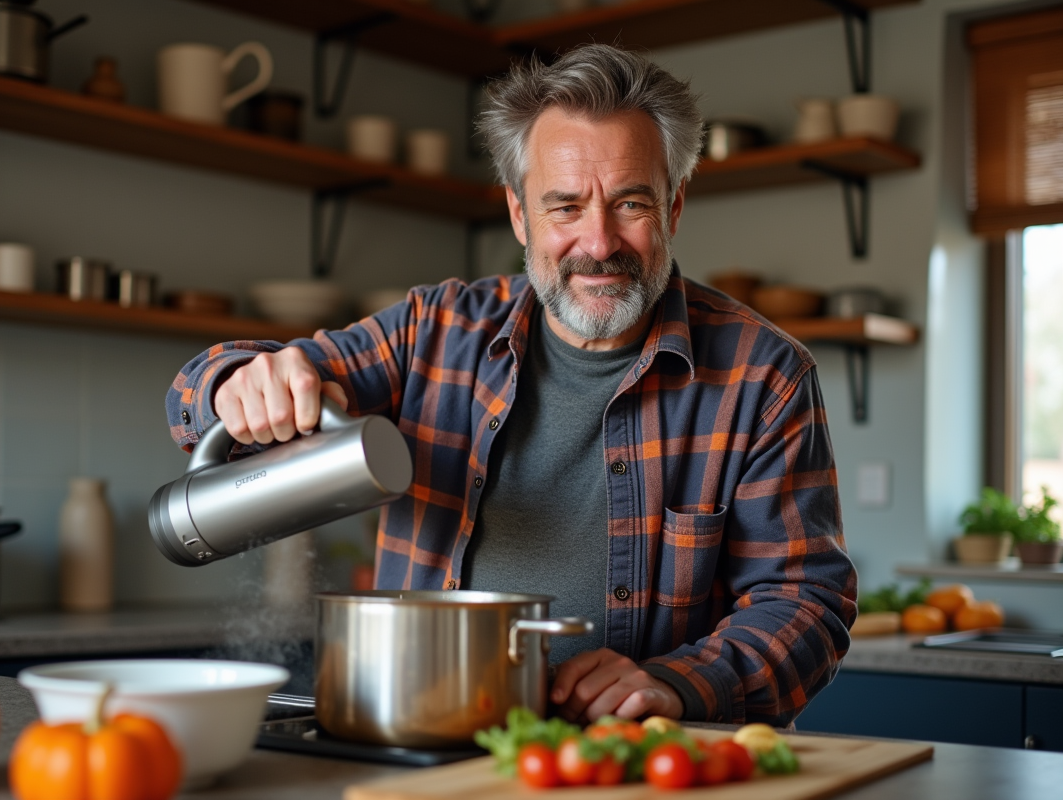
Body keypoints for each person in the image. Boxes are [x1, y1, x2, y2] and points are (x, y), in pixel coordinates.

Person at [166, 44, 857, 728]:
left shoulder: (763, 376)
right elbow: (199, 393)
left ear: (673, 207)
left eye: (630, 203)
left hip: (639, 763)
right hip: (430, 738)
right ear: (520, 214)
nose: (598, 241)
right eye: (564, 207)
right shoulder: (431, 331)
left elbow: (805, 604)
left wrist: (675, 683)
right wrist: (239, 383)